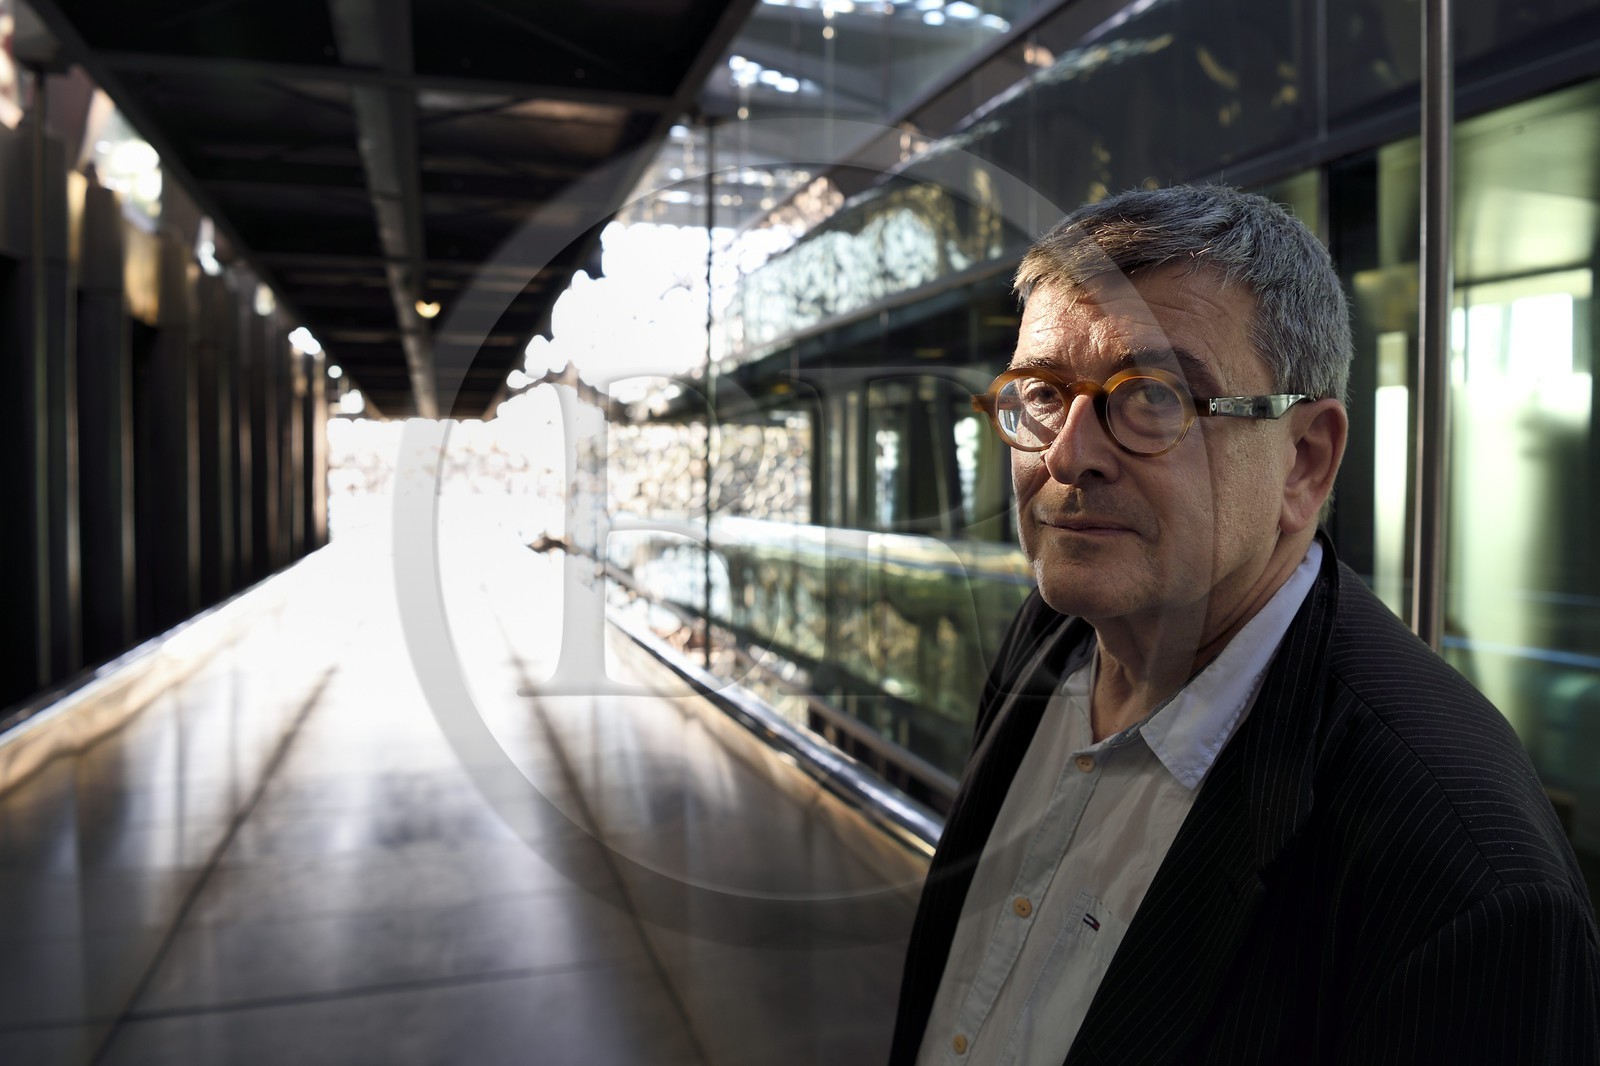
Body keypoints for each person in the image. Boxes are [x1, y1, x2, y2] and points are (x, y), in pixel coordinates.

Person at [888, 184, 1600, 1065]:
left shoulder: (1463, 877)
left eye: (1151, 396)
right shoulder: (1055, 631)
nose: (1066, 454)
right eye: (1040, 392)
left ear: (1304, 461)